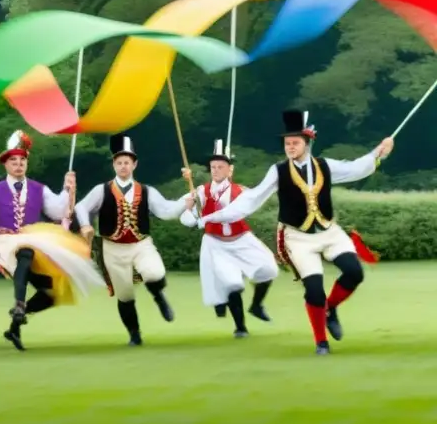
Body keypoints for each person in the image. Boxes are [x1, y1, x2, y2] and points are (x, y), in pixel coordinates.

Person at [199, 110, 393, 355]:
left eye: (295, 143)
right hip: (298, 238)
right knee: (314, 288)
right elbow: (252, 198)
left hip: (329, 231)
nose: (290, 147)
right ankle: (321, 342)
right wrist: (213, 216)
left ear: (307, 142)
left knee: (354, 272)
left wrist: (379, 152)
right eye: (287, 143)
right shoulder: (278, 171)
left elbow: (356, 169)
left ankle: (330, 308)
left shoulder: (325, 165)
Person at [0, 130, 102, 351]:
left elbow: (58, 211)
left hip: (36, 240)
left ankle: (15, 326)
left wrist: (69, 191)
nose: (18, 164)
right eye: (13, 161)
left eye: (22, 160)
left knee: (52, 293)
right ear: (5, 165)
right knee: (24, 250)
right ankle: (18, 303)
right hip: (5, 241)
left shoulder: (39, 189)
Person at [75, 133, 193, 346]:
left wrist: (186, 202)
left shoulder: (147, 191)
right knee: (125, 294)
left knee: (154, 272)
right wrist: (85, 224)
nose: (123, 166)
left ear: (134, 164)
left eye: (127, 162)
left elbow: (166, 210)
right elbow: (81, 206)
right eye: (119, 162)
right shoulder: (101, 190)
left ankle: (159, 297)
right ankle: (134, 334)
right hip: (113, 248)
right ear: (114, 165)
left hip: (141, 244)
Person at [179, 140, 277, 337]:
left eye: (220, 167)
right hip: (216, 243)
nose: (215, 170)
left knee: (269, 268)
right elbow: (186, 219)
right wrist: (190, 210)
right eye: (213, 167)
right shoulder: (200, 192)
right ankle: (240, 327)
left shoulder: (242, 191)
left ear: (229, 170)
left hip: (241, 238)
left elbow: (251, 203)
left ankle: (257, 305)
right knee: (233, 283)